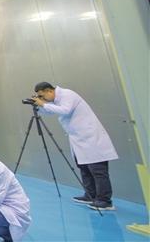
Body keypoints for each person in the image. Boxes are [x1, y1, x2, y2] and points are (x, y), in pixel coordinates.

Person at [31, 81, 118, 211]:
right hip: (79, 140)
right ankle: (90, 195)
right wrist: (39, 106)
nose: (42, 98)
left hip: (91, 138)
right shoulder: (56, 100)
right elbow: (50, 111)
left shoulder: (67, 95)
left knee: (98, 171)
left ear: (49, 90)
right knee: (84, 168)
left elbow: (65, 110)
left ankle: (105, 201)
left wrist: (43, 104)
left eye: (42, 96)